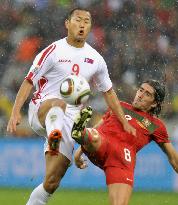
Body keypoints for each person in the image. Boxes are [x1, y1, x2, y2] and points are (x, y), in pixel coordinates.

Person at [7, 8, 135, 205]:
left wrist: (123, 122)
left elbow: (108, 92)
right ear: (67, 23)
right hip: (41, 109)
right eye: (78, 20)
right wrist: (15, 112)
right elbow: (28, 81)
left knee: (51, 182)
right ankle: (54, 137)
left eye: (87, 21)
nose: (82, 24)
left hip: (69, 120)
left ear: (90, 26)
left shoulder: (96, 59)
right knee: (58, 103)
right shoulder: (53, 51)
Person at [72, 79, 178, 205]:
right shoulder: (119, 105)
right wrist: (78, 152)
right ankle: (81, 132)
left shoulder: (155, 125)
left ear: (154, 103)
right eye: (140, 90)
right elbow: (99, 127)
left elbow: (173, 158)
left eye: (147, 94)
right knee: (95, 136)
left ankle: (82, 133)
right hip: (102, 142)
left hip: (122, 158)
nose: (140, 95)